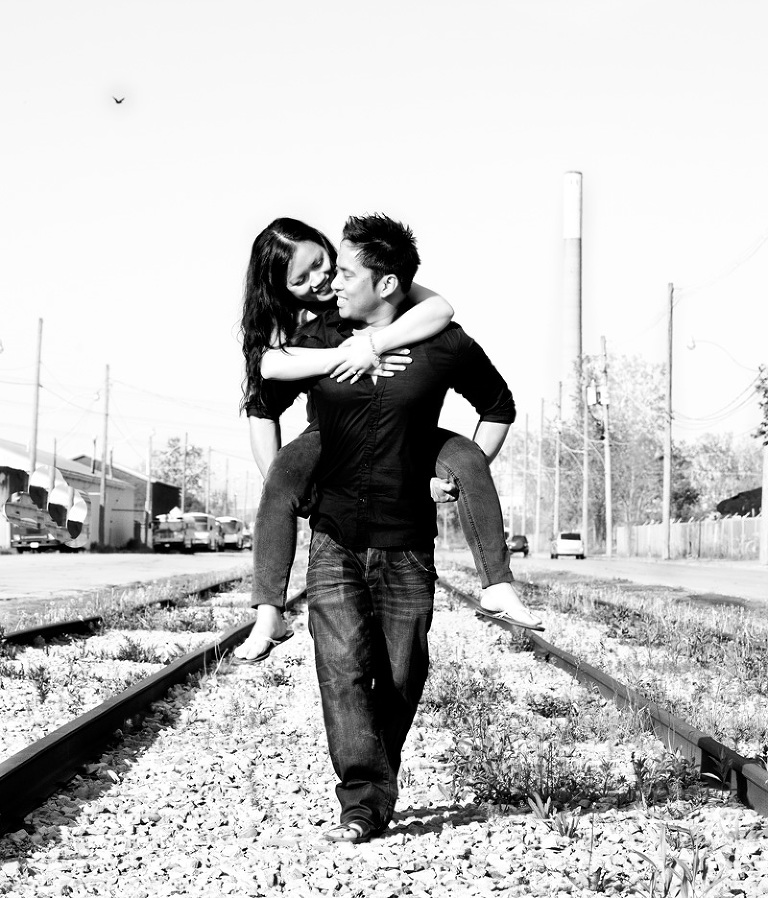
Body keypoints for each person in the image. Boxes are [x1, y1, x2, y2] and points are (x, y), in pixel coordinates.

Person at [249, 213, 519, 842]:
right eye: (320, 274)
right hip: (335, 536)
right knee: (342, 672)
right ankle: (363, 803)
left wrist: (451, 479)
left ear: (387, 283)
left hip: (406, 541)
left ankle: (374, 784)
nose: (330, 284)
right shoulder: (323, 333)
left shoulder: (442, 340)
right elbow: (264, 391)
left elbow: (498, 405)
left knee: (400, 677)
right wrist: (287, 480)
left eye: (342, 271)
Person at [234, 218, 541, 663]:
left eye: (322, 263)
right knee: (281, 478)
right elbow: (268, 375)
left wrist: (374, 345)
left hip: (408, 435)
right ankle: (269, 613)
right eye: (301, 279)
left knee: (468, 459)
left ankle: (497, 583)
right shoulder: (302, 329)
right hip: (334, 433)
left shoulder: (374, 282)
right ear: (280, 289)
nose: (322, 280)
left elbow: (440, 309)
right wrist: (344, 356)